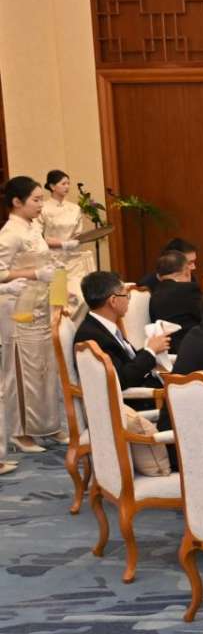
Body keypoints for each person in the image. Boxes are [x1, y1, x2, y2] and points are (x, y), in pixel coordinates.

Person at [0, 176, 63, 453]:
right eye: (36, 200)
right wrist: (34, 273)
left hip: (40, 306)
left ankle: (47, 425)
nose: (40, 205)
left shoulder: (33, 226)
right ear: (17, 202)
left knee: (44, 369)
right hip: (17, 309)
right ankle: (20, 432)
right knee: (21, 371)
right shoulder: (9, 233)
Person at [75, 271, 168, 407]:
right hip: (134, 403)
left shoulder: (101, 327)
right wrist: (150, 351)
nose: (128, 300)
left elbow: (127, 361)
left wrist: (152, 348)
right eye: (126, 295)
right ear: (113, 301)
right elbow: (121, 379)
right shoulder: (92, 336)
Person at [38, 170, 92, 308]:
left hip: (74, 259)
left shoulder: (75, 208)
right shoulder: (42, 208)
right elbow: (38, 237)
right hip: (53, 260)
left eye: (68, 183)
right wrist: (63, 244)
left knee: (81, 298)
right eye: (63, 183)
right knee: (59, 302)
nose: (67, 186)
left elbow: (77, 234)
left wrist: (75, 242)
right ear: (52, 186)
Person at [147, 250, 201, 353]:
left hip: (167, 349)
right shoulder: (188, 289)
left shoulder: (154, 294)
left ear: (158, 276)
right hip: (192, 347)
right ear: (186, 270)